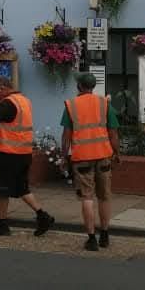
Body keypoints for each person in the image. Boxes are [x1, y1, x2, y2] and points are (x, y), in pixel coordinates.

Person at [0, 76, 55, 237]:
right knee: (22, 188)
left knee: (2, 190)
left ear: (3, 88)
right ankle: (43, 216)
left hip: (8, 154)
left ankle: (2, 224)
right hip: (23, 153)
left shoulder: (7, 103)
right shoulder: (24, 100)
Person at [60, 71, 120, 251]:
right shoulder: (105, 104)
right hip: (103, 156)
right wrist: (116, 153)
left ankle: (91, 238)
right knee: (105, 196)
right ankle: (105, 235)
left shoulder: (71, 105)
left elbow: (66, 137)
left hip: (82, 159)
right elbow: (113, 133)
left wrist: (64, 156)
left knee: (87, 197)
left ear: (79, 86)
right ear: (93, 86)